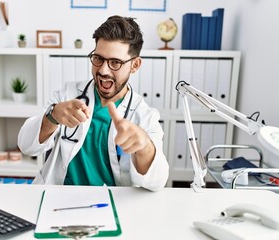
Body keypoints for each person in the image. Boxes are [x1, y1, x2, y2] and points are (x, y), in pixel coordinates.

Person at [18, 15, 169, 191]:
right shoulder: (67, 96)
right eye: (98, 59)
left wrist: (144, 146)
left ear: (134, 65)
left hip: (109, 205)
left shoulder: (144, 116)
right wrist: (53, 116)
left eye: (115, 62)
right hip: (58, 198)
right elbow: (26, 146)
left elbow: (157, 182)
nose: (103, 70)